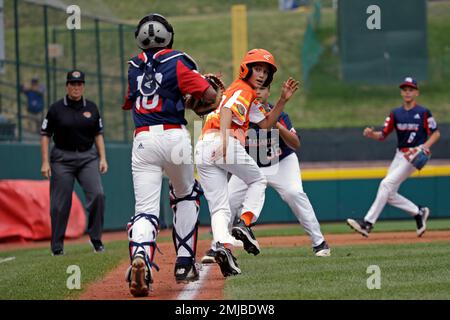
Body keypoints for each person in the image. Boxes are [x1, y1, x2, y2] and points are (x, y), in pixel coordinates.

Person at [122, 13, 219, 297]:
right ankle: (185, 262)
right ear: (169, 36)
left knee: (145, 210)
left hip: (143, 139)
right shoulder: (178, 60)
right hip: (173, 134)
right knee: (186, 194)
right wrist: (193, 98)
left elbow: (131, 101)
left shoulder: (132, 66)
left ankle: (141, 256)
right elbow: (210, 96)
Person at [194, 48, 299, 277]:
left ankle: (224, 247)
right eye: (257, 69)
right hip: (221, 142)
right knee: (258, 180)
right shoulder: (243, 88)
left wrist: (281, 101)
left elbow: (265, 125)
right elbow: (228, 110)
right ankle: (245, 222)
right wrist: (223, 138)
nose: (261, 74)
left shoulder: (247, 94)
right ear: (246, 69)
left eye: (265, 71)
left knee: (220, 207)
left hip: (202, 148)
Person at [201, 85, 330, 264]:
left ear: (269, 92)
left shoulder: (279, 115)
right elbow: (221, 116)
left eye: (263, 89)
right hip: (251, 165)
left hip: (281, 162)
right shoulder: (242, 115)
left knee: (295, 194)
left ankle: (320, 242)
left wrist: (275, 123)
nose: (258, 91)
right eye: (255, 88)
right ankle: (217, 247)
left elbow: (296, 143)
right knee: (228, 200)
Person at [347, 77, 440, 237]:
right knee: (388, 193)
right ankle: (418, 212)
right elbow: (383, 134)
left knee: (385, 184)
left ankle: (367, 223)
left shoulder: (423, 112)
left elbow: (436, 133)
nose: (407, 92)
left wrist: (424, 147)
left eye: (411, 89)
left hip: (414, 155)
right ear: (401, 92)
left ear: (416, 92)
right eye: (405, 89)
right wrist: (371, 134)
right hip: (400, 155)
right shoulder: (396, 113)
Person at [40, 70, 108, 256]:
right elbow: (45, 135)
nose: (76, 87)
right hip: (62, 159)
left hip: (87, 157)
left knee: (98, 195)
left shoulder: (92, 108)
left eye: (79, 84)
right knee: (59, 204)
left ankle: (96, 239)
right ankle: (57, 246)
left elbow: (98, 134)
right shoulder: (56, 109)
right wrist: (45, 162)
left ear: (83, 86)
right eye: (72, 84)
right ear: (67, 86)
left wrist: (103, 158)